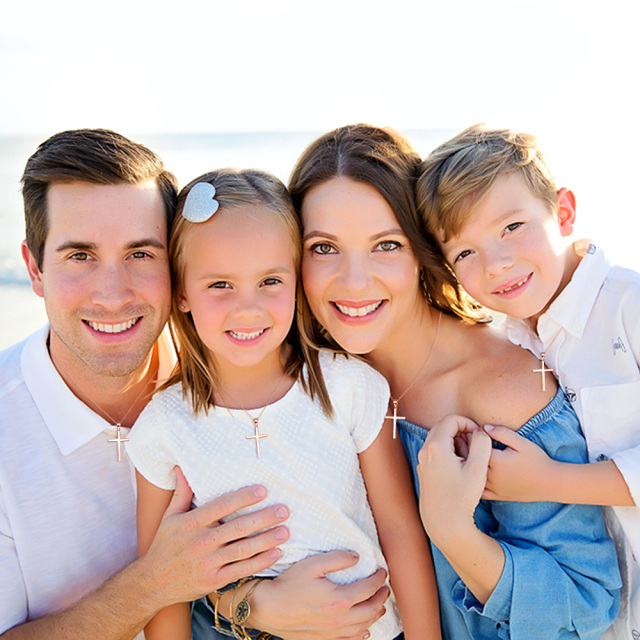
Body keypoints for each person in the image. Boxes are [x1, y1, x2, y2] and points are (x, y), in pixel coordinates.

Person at [287, 123, 622, 639]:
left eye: (386, 244)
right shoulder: (307, 381)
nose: (354, 281)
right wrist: (249, 606)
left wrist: (455, 535)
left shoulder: (502, 390)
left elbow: (587, 605)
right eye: (324, 248)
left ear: (425, 253)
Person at [0, 129, 297, 640]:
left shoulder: (241, 375)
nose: (113, 294)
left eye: (141, 254)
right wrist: (154, 584)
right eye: (79, 256)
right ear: (35, 269)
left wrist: (245, 605)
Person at [126, 168, 439, 640]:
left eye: (270, 281)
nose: (247, 308)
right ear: (182, 293)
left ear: (296, 279)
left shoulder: (348, 387)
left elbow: (400, 529)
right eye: (220, 285)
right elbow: (162, 586)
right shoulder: (164, 427)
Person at [416, 123, 640, 638]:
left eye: (512, 227)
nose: (496, 264)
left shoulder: (626, 306)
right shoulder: (512, 341)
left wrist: (548, 480)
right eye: (465, 254)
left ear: (562, 212)